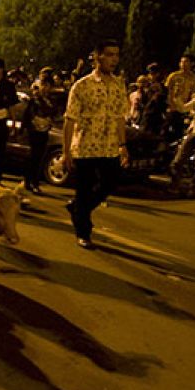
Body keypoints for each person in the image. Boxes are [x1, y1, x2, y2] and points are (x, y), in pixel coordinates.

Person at [63, 39, 130, 249]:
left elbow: (120, 117)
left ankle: (78, 209)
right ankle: (83, 232)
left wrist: (123, 145)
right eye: (109, 54)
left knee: (110, 183)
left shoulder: (119, 85)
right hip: (85, 147)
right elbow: (70, 119)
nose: (114, 60)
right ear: (98, 56)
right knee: (83, 191)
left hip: (109, 146)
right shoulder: (82, 86)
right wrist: (66, 152)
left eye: (116, 55)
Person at [23, 71, 60, 194]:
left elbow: (53, 113)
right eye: (43, 84)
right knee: (32, 156)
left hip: (44, 131)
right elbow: (28, 114)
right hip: (34, 131)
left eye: (48, 85)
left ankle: (34, 181)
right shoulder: (35, 98)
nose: (45, 88)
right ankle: (29, 181)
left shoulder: (52, 100)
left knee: (39, 157)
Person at [163, 53, 195, 140]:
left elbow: (193, 93)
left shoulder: (193, 77)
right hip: (172, 107)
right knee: (166, 128)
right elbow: (167, 91)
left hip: (184, 107)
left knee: (179, 130)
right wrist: (170, 105)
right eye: (181, 62)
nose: (183, 64)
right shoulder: (173, 76)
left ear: (192, 64)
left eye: (186, 62)